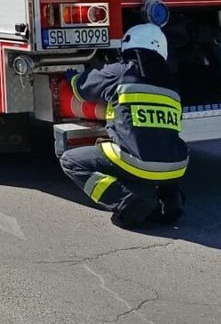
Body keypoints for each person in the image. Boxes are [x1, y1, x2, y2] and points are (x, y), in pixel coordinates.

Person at [59, 23, 188, 228]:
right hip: (176, 167)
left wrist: (72, 77)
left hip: (137, 163)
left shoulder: (121, 71)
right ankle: (171, 202)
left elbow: (82, 89)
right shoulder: (171, 84)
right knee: (158, 146)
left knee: (70, 161)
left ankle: (126, 200)